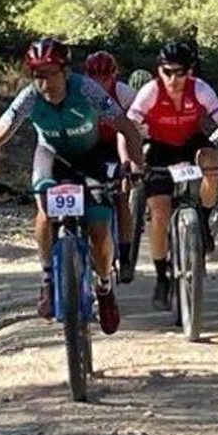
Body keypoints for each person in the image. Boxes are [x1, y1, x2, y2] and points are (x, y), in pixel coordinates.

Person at [0, 38, 145, 334]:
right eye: (37, 74)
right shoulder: (29, 97)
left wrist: (134, 165)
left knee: (98, 228)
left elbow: (127, 129)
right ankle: (47, 279)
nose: (45, 82)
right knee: (44, 206)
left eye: (51, 73)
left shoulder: (86, 89)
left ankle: (105, 287)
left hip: (89, 158)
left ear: (66, 71)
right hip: (51, 157)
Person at [127, 36, 218, 311]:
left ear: (189, 72)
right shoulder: (150, 92)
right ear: (159, 71)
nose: (173, 79)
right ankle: (161, 276)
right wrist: (130, 161)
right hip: (160, 147)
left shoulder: (200, 89)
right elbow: (128, 128)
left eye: (180, 72)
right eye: (167, 72)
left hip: (190, 142)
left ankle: (202, 221)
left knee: (212, 161)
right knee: (159, 211)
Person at [82, 50, 141, 283]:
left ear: (114, 76)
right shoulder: (76, 91)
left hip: (115, 145)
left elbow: (133, 131)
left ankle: (125, 256)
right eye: (94, 78)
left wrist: (131, 163)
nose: (100, 83)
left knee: (120, 195)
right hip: (86, 145)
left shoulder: (126, 94)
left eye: (105, 78)